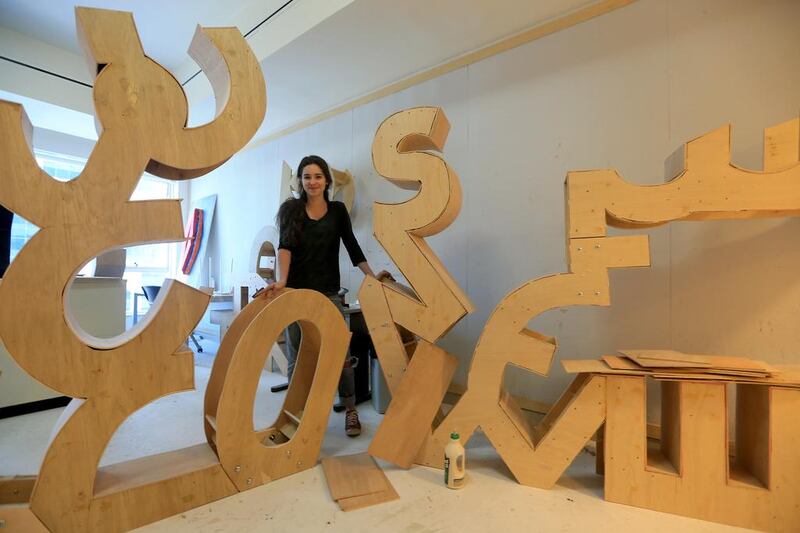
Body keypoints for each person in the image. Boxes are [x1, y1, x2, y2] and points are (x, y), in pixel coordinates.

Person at [261, 155, 390, 437]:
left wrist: (370, 275)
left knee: (341, 354)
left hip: (329, 292)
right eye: (307, 177)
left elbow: (352, 246)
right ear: (300, 181)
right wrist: (282, 280)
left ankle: (350, 409)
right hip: (295, 291)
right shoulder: (291, 210)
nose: (312, 182)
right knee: (297, 357)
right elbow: (285, 248)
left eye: (318, 176)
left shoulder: (338, 211)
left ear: (327, 181)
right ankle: (296, 412)